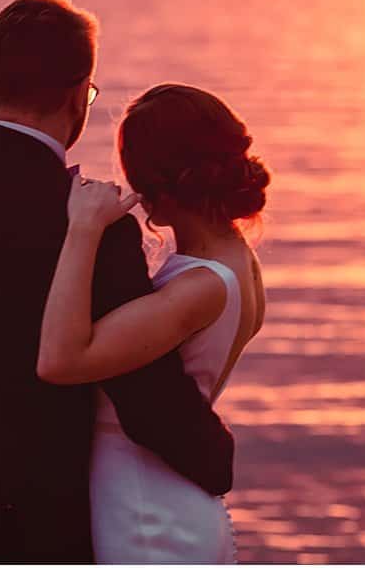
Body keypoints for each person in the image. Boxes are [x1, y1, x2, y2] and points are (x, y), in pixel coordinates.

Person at [0, 0, 235, 564]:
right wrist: (215, 456)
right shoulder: (95, 224)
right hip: (22, 530)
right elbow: (147, 398)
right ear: (80, 92)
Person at [37, 83, 269, 563]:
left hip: (147, 512)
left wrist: (83, 228)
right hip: (170, 502)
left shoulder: (201, 286)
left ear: (157, 182)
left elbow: (61, 359)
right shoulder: (238, 262)